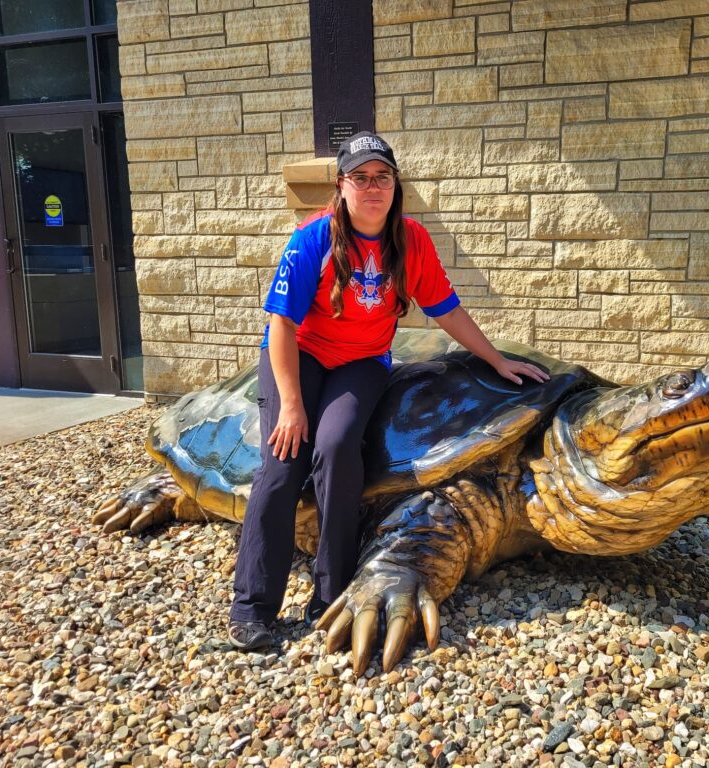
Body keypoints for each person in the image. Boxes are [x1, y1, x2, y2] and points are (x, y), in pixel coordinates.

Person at [228, 131, 549, 650]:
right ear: (342, 185)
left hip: (362, 361)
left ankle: (329, 592)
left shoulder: (411, 240)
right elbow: (280, 326)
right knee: (284, 459)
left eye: (382, 177)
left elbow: (446, 309)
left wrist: (497, 359)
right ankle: (252, 608)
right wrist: (290, 405)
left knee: (337, 449)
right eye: (361, 177)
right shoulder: (312, 240)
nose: (372, 187)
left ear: (395, 186)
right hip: (299, 355)